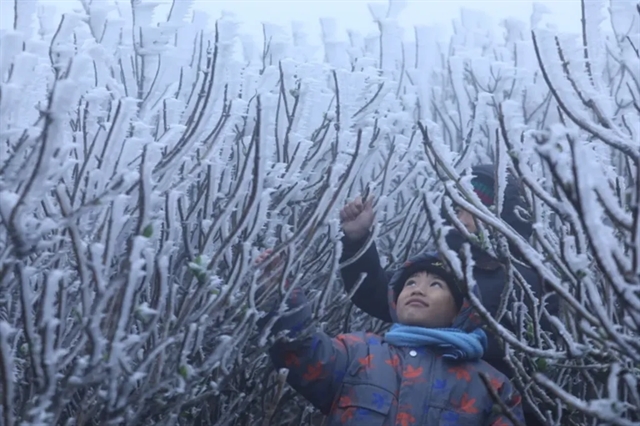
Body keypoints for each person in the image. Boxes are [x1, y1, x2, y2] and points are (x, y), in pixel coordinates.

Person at [339, 164, 557, 425]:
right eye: (457, 208)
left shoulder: (527, 284)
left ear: (504, 221)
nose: (461, 220)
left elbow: (531, 364)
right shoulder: (441, 267)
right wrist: (358, 240)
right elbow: (377, 294)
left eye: (474, 211)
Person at [259, 250, 525, 425]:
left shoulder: (490, 385)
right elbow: (298, 351)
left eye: (436, 285)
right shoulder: (358, 352)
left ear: (460, 308)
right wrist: (283, 293)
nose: (418, 289)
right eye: (410, 283)